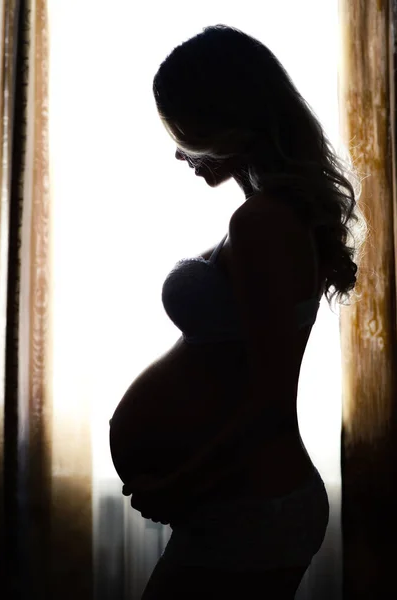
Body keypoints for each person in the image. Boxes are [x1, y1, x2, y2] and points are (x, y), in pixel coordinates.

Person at [109, 23, 366, 599]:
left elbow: (271, 403)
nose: (181, 152)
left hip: (252, 504)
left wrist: (179, 481)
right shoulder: (269, 216)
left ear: (230, 119)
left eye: (187, 131)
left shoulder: (264, 223)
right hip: (242, 498)